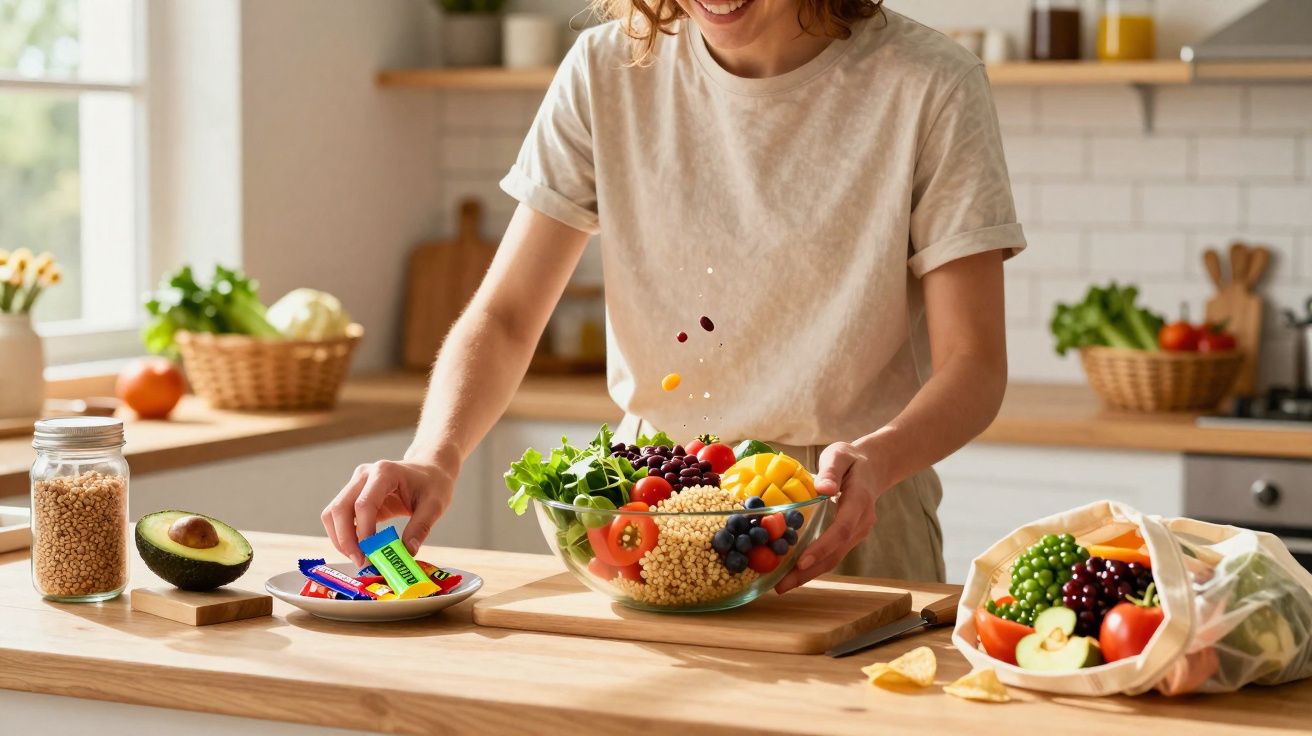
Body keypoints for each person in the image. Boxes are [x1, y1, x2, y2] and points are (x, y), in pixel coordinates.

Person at [322, 0, 1023, 591]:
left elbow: (974, 364)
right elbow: (506, 317)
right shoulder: (605, 70)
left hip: (846, 513)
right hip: (649, 511)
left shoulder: (930, 83)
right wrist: (434, 454)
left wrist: (883, 458)